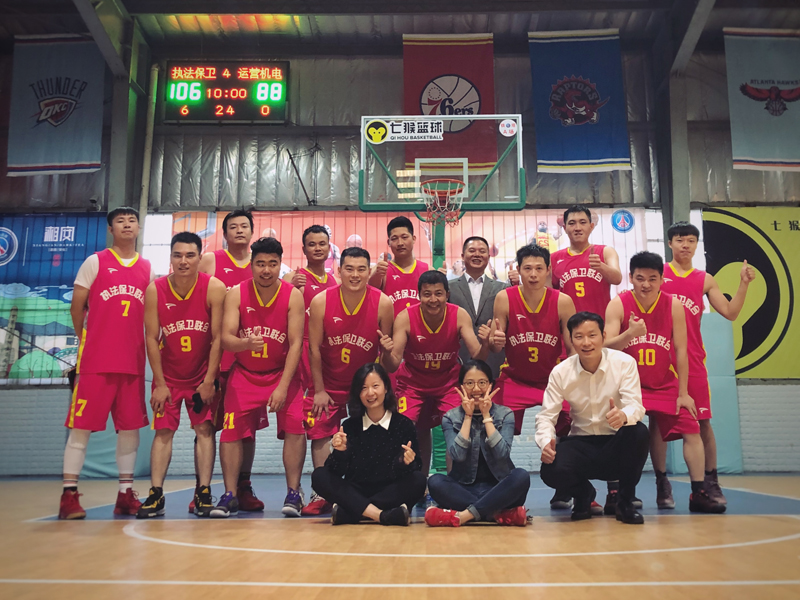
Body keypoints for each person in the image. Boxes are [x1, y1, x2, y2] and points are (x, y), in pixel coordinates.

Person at [605, 251, 725, 513]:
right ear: (630, 278)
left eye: (652, 279)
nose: (646, 284)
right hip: (629, 387)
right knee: (617, 432)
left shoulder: (673, 305)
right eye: (640, 278)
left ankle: (698, 492)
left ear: (661, 280)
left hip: (664, 383)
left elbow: (681, 350)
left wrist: (683, 392)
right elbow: (606, 346)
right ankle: (617, 493)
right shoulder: (618, 304)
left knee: (692, 428)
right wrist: (630, 334)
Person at [60, 207, 154, 519]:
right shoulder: (95, 261)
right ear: (110, 229)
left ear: (138, 228)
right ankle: (69, 495)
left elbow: (152, 315)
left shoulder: (147, 268)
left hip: (132, 361)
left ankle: (125, 494)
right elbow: (77, 306)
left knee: (129, 429)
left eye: (132, 221)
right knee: (81, 427)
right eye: (120, 221)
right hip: (96, 361)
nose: (127, 225)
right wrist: (86, 337)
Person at [661, 221, 756, 505]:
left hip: (692, 361)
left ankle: (711, 482)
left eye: (691, 240)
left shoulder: (705, 280)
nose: (685, 245)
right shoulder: (658, 275)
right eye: (680, 240)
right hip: (659, 360)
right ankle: (661, 483)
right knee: (656, 423)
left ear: (696, 245)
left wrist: (743, 284)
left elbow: (729, 312)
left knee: (703, 423)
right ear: (670, 243)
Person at [211, 237, 305, 517]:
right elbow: (226, 338)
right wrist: (244, 344)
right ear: (251, 265)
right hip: (245, 374)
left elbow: (296, 344)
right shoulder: (237, 294)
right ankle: (230, 494)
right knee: (230, 432)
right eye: (261, 264)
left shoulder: (293, 295)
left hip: (282, 373)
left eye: (272, 264)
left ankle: (294, 493)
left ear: (280, 265)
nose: (266, 270)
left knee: (296, 428)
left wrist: (283, 387)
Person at [138, 232, 226, 518]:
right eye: (178, 255)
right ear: (171, 258)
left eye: (190, 255)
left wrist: (210, 380)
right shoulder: (156, 289)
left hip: (201, 376)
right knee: (163, 432)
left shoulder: (214, 287)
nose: (183, 261)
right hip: (170, 378)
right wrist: (159, 384)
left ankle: (203, 491)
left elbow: (218, 338)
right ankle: (156, 494)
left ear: (200, 258)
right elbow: (151, 338)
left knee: (205, 430)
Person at [304, 247, 394, 515]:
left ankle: (365, 488)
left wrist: (386, 359)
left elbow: (386, 359)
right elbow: (314, 349)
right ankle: (322, 493)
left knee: (370, 435)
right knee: (320, 432)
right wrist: (319, 390)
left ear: (369, 271)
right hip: (328, 382)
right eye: (349, 269)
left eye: (361, 269)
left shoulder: (383, 303)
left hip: (364, 386)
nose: (355, 275)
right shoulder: (321, 301)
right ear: (339, 270)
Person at [536, 312, 649, 525]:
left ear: (603, 336)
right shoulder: (561, 372)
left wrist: (623, 415)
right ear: (571, 340)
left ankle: (625, 501)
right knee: (550, 469)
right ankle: (583, 495)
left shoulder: (624, 363)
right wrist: (545, 443)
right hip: (582, 443)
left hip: (615, 442)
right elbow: (546, 416)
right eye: (579, 337)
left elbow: (636, 405)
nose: (586, 342)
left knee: (639, 432)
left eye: (592, 335)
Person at [549, 205, 625, 512]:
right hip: (570, 343)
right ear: (564, 227)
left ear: (592, 225)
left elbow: (617, 277)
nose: (577, 226)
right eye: (572, 222)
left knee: (609, 413)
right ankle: (570, 485)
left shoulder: (604, 251)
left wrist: (602, 268)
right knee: (567, 415)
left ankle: (615, 490)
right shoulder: (555, 259)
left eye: (583, 222)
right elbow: (549, 297)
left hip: (600, 341)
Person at [379, 270, 489, 476]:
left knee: (457, 429)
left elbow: (477, 356)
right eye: (427, 294)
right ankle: (414, 483)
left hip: (448, 383)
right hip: (412, 383)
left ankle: (453, 484)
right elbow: (392, 365)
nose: (433, 300)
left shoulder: (459, 315)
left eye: (438, 293)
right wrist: (385, 353)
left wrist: (486, 344)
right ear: (419, 295)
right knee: (406, 431)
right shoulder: (405, 317)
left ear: (447, 295)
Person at [198, 209, 265, 513]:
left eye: (244, 226)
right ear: (224, 233)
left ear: (252, 232)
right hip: (215, 358)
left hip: (248, 362)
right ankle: (203, 489)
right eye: (233, 227)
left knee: (246, 430)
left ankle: (243, 486)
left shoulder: (261, 266)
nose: (239, 230)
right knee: (208, 426)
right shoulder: (211, 261)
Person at [310, 363, 427, 526]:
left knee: (419, 480)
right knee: (319, 476)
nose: (370, 393)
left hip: (389, 492)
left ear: (386, 388)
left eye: (375, 386)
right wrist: (340, 452)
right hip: (356, 490)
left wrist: (406, 462)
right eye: (363, 388)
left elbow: (415, 469)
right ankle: (381, 515)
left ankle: (353, 513)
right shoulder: (349, 426)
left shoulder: (403, 425)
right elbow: (334, 471)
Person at [424, 360, 530, 527]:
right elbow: (457, 456)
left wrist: (487, 417)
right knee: (435, 482)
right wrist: (467, 417)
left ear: (490, 385)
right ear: (461, 387)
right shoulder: (450, 417)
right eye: (469, 383)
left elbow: (502, 454)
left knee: (521, 476)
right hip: (463, 489)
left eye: (482, 383)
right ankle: (496, 513)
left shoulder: (505, 414)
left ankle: (464, 515)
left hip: (499, 487)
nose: (476, 389)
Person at [281, 225, 340, 516]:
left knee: (321, 427)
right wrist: (288, 286)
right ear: (303, 249)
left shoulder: (335, 282)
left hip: (323, 358)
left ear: (330, 248)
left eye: (322, 243)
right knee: (296, 428)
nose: (317, 248)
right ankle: (296, 491)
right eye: (312, 244)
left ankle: (323, 490)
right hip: (297, 356)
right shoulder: (294, 280)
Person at [490, 244, 575, 437]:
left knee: (576, 421)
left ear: (548, 270)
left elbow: (573, 350)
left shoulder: (563, 301)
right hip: (514, 379)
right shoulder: (504, 298)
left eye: (539, 268)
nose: (533, 274)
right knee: (494, 425)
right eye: (527, 268)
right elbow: (494, 348)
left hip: (553, 380)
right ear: (518, 269)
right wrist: (495, 341)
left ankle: (559, 455)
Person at [448, 236, 510, 378]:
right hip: (457, 361)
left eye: (482, 251)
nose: (477, 254)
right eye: (472, 251)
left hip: (493, 362)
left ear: (488, 257)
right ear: (463, 256)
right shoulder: (448, 288)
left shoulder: (503, 289)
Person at [369, 216, 430, 317]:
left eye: (404, 237)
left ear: (413, 239)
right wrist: (377, 276)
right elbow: (370, 294)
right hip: (390, 327)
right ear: (388, 242)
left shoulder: (427, 270)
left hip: (421, 327)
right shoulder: (381, 271)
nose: (400, 243)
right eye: (394, 239)